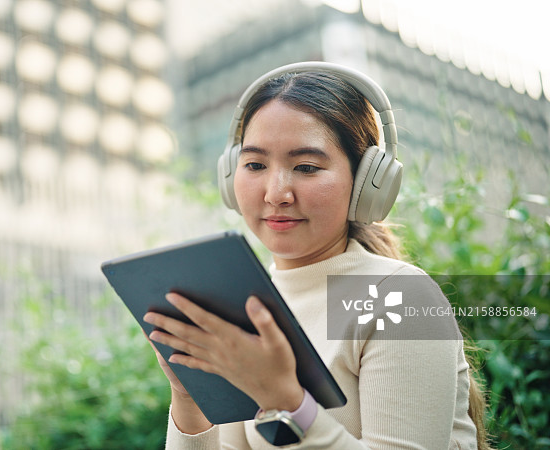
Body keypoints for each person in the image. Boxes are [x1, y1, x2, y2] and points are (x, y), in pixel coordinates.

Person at [142, 62, 489, 449]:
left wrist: (285, 400)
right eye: (255, 164)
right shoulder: (245, 302)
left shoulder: (401, 296)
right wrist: (190, 397)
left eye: (306, 167)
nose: (276, 193)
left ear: (367, 182)